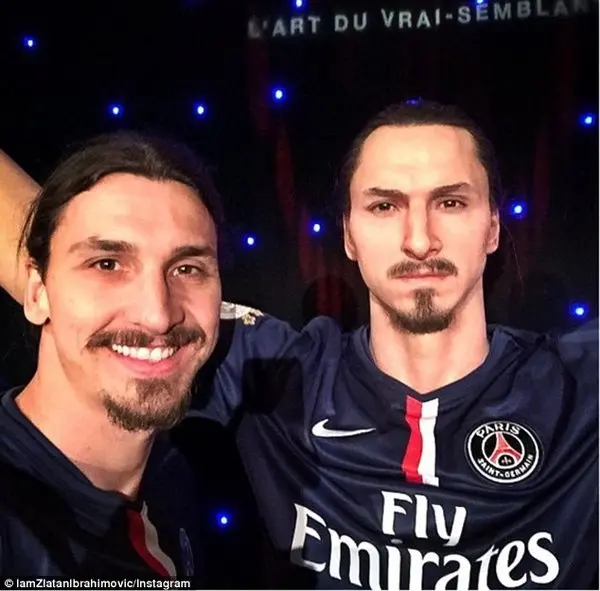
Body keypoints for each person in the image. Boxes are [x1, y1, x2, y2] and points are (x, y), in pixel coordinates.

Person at [1, 101, 597, 589]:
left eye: (451, 202)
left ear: (492, 227)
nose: (419, 239)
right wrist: (58, 269)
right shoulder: (275, 370)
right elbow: (84, 261)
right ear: (349, 234)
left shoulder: (581, 386)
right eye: (384, 206)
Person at [0, 131, 223, 578]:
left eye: (187, 269)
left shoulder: (173, 477)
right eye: (107, 264)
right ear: (38, 292)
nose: (157, 315)